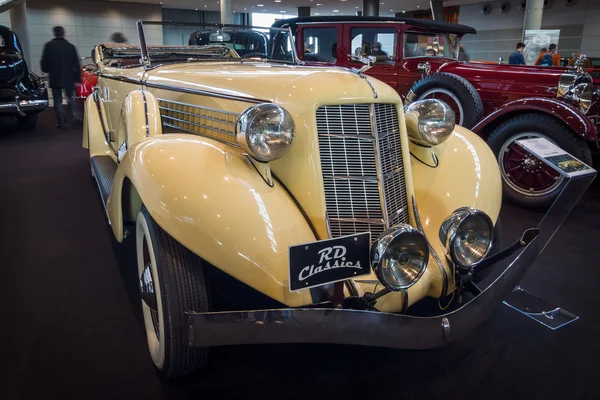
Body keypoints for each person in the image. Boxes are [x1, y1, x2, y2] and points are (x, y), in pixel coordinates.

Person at [41, 26, 81, 128]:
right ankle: (75, 117)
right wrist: (77, 78)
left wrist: (45, 70)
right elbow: (76, 64)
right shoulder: (70, 47)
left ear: (54, 33)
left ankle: (61, 122)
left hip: (55, 77)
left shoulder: (48, 46)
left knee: (57, 100)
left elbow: (44, 62)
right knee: (71, 97)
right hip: (69, 77)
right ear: (64, 33)